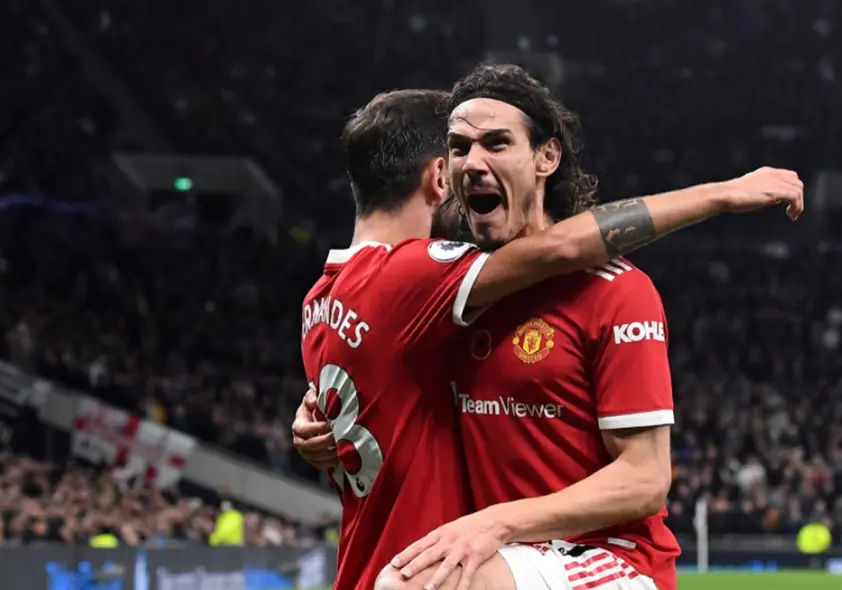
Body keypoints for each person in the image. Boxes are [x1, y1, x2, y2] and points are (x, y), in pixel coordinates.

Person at [298, 73, 804, 590]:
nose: (474, 163)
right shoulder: (452, 293)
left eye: (496, 143)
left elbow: (646, 480)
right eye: (459, 148)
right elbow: (381, 373)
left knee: (417, 584)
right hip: (505, 560)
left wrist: (496, 521)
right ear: (443, 173)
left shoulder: (616, 291)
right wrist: (317, 418)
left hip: (608, 559)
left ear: (547, 159)